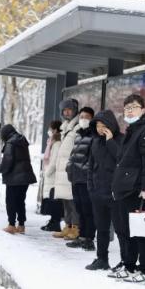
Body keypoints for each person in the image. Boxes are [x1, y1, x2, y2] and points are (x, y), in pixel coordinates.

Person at [110, 94, 145, 284]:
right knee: (126, 230)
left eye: (133, 107)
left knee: (141, 231)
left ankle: (144, 270)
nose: (129, 110)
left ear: (143, 109)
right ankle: (129, 265)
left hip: (138, 190)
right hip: (124, 188)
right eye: (127, 107)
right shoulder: (132, 130)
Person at [86, 109, 125, 271]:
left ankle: (125, 261)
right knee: (101, 228)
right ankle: (102, 258)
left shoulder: (121, 139)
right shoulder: (95, 141)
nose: (100, 128)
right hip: (98, 193)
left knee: (121, 229)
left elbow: (121, 159)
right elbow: (91, 165)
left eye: (103, 125)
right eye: (97, 125)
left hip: (115, 194)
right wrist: (90, 186)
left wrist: (110, 141)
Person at [65, 107, 96, 251]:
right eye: (81, 116)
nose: (83, 119)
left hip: (86, 178)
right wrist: (69, 168)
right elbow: (73, 154)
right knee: (79, 209)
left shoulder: (94, 135)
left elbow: (93, 158)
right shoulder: (78, 135)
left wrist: (84, 169)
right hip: (75, 178)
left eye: (86, 117)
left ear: (92, 119)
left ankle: (89, 238)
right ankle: (81, 236)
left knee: (88, 209)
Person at [0, 124, 37, 234]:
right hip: (25, 176)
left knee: (11, 201)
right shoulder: (21, 141)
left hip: (14, 178)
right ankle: (21, 225)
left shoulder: (10, 143)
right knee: (20, 201)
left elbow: (8, 160)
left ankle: (11, 225)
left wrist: (0, 169)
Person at [52, 98, 81, 240]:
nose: (67, 112)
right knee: (65, 200)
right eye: (64, 110)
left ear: (75, 110)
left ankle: (76, 228)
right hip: (63, 171)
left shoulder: (78, 126)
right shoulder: (65, 127)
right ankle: (67, 226)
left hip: (71, 170)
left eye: (69, 109)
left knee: (73, 201)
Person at [40, 120, 64, 232]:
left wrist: (47, 172)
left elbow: (54, 161)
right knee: (51, 200)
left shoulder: (57, 143)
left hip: (53, 175)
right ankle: (53, 221)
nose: (49, 131)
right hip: (50, 175)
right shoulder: (52, 142)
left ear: (55, 130)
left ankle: (55, 222)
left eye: (50, 129)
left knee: (54, 201)